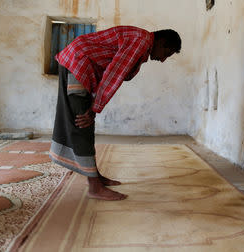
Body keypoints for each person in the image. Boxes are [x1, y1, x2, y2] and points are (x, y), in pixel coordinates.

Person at [49, 25, 181, 201]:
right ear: (162, 42)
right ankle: (94, 187)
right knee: (82, 122)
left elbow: (114, 70)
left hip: (78, 62)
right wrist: (95, 107)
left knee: (86, 121)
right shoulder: (140, 42)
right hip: (78, 62)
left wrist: (95, 105)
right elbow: (114, 73)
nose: (164, 59)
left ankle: (95, 176)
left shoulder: (141, 40)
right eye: (167, 53)